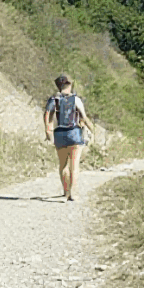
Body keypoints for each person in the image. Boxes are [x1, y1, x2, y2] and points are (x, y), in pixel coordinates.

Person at [43, 74, 95, 202]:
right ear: (70, 84)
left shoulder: (54, 99)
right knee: (74, 165)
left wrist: (48, 129)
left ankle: (65, 193)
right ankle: (73, 193)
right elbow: (83, 117)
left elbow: (47, 114)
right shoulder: (76, 99)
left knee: (63, 165)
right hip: (74, 133)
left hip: (59, 133)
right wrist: (92, 130)